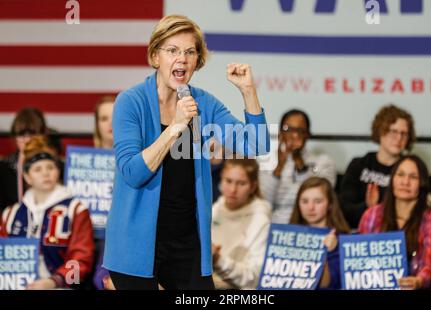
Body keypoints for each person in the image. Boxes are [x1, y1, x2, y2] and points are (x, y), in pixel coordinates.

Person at [103, 14, 269, 290]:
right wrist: (176, 127)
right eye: (172, 50)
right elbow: (132, 172)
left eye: (190, 52)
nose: (182, 58)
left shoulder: (203, 103)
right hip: (136, 245)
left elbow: (256, 145)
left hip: (188, 244)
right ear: (156, 57)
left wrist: (248, 92)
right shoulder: (130, 102)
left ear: (197, 61)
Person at [0, 136, 95, 289]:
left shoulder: (76, 209)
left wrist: (54, 281)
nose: (45, 173)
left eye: (50, 167)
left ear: (58, 171)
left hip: (62, 286)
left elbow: (82, 260)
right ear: (27, 177)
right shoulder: (10, 214)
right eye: (37, 169)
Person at [359, 155, 431, 290]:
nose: (405, 182)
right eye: (400, 175)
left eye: (413, 177)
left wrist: (418, 281)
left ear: (422, 183)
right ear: (392, 179)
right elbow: (359, 259)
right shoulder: (371, 215)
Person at [340, 104, 416, 229]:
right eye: (394, 131)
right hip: (358, 235)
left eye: (404, 134)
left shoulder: (411, 169)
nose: (399, 138)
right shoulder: (359, 165)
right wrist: (368, 207)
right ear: (381, 131)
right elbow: (343, 209)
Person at [260, 109, 336, 224]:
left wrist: (300, 165)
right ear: (281, 133)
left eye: (300, 130)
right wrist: (278, 168)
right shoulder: (268, 161)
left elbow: (321, 199)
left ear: (308, 134)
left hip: (309, 223)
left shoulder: (323, 162)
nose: (294, 135)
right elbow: (264, 202)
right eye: (288, 129)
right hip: (274, 223)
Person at [211, 159, 271, 290]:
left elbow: (254, 278)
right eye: (228, 181)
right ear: (221, 180)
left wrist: (218, 260)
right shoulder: (213, 211)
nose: (233, 189)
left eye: (241, 183)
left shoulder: (261, 220)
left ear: (253, 186)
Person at [290, 177, 350, 290]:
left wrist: (325, 253)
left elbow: (327, 285)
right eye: (304, 201)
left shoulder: (343, 241)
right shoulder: (287, 237)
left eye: (318, 201)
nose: (310, 207)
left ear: (330, 204)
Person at [0, 107, 62, 212]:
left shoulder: (57, 164)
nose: (27, 140)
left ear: (44, 135)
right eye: (21, 134)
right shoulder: (3, 168)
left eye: (32, 134)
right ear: (14, 136)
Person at [91, 95, 115, 290]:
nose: (110, 124)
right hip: (88, 235)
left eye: (115, 117)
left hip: (119, 238)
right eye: (104, 118)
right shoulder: (81, 163)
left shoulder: (142, 159)